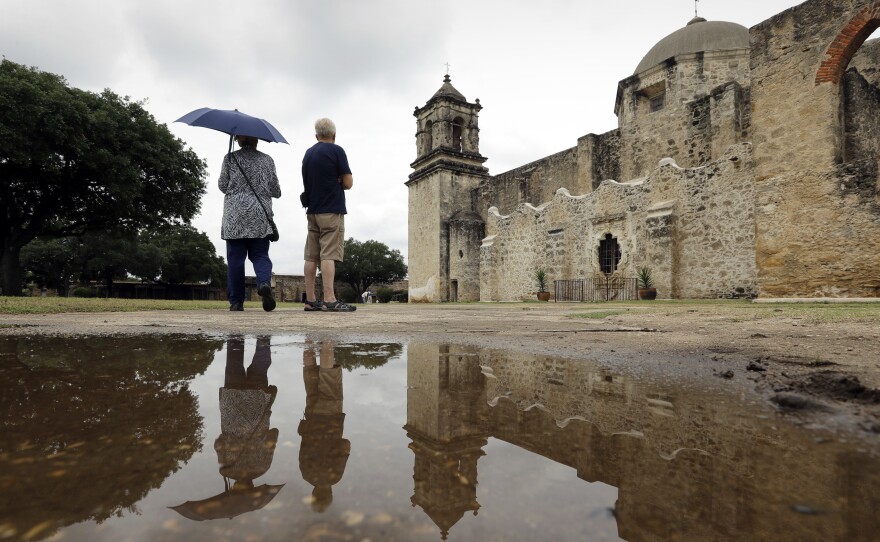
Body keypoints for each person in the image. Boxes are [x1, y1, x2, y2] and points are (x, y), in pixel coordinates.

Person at [219, 135, 281, 312]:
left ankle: (237, 301)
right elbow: (276, 190)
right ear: (257, 140)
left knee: (235, 259)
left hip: (234, 216)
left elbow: (223, 185)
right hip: (259, 215)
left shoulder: (230, 158)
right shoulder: (267, 160)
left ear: (238, 140)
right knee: (260, 255)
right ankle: (263, 283)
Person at [301, 118, 356, 312]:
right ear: (334, 134)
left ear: (316, 135)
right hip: (331, 209)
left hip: (312, 210)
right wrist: (339, 180)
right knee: (328, 255)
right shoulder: (337, 151)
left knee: (311, 256)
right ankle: (330, 299)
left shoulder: (308, 154)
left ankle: (310, 299)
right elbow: (348, 183)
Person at [298, 340, 350, 512]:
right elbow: (303, 446)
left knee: (329, 375)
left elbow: (345, 445)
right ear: (313, 494)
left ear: (330, 494)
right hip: (311, 416)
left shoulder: (335, 477)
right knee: (310, 373)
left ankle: (327, 337)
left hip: (331, 416)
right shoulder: (306, 475)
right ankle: (309, 339)